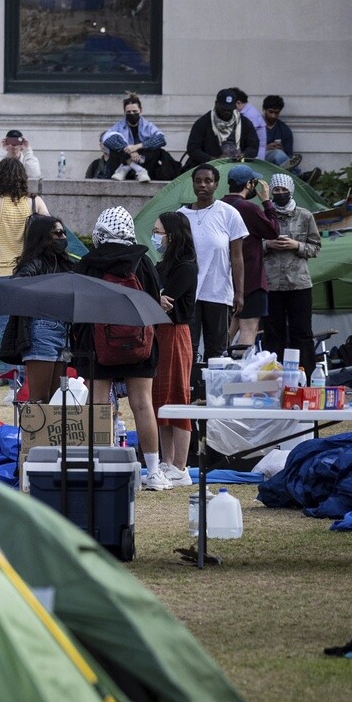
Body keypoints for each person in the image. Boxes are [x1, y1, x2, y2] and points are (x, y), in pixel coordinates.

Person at [75, 208, 163, 487]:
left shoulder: (89, 262)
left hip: (98, 343)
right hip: (139, 342)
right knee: (142, 404)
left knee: (98, 403)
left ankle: (98, 462)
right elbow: (154, 303)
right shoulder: (143, 261)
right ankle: (154, 471)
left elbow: (79, 308)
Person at [179, 163, 247, 381]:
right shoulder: (181, 216)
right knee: (188, 348)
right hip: (189, 294)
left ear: (216, 184)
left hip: (218, 292)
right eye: (198, 181)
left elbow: (236, 256)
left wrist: (239, 292)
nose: (202, 185)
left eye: (208, 181)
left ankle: (213, 398)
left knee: (216, 351)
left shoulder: (229, 214)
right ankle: (188, 396)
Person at [150, 210, 198, 489]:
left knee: (178, 400)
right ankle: (167, 463)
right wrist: (156, 297)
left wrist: (157, 297)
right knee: (161, 402)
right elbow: (156, 296)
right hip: (161, 334)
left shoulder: (185, 266)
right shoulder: (163, 264)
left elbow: (167, 299)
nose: (156, 237)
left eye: (159, 232)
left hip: (175, 334)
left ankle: (180, 466)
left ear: (173, 235)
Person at [7, 215, 74, 406]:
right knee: (39, 399)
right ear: (43, 237)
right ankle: (35, 436)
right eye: (57, 233)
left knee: (56, 400)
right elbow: (18, 286)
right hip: (42, 330)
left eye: (63, 233)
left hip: (64, 332)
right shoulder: (34, 264)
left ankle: (51, 436)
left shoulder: (66, 263)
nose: (62, 237)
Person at [261, 172, 321, 376]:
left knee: (302, 333)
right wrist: (268, 245)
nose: (280, 193)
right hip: (271, 284)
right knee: (272, 334)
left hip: (299, 284)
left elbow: (315, 247)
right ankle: (272, 378)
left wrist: (296, 245)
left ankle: (306, 377)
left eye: (283, 189)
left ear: (291, 190)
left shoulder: (305, 216)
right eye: (276, 190)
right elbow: (250, 247)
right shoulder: (264, 215)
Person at [0, 156, 50, 306]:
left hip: (5, 273)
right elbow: (54, 232)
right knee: (31, 325)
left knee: (7, 326)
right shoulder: (36, 202)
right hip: (33, 273)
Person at [222, 165, 280, 350]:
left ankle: (214, 363)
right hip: (251, 278)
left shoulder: (219, 206)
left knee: (228, 329)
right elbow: (273, 231)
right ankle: (240, 372)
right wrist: (267, 202)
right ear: (249, 184)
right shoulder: (248, 208)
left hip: (226, 277)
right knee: (249, 329)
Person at [99, 93, 172, 181]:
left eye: (134, 111)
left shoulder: (148, 126)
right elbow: (107, 139)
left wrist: (137, 147)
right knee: (115, 147)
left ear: (140, 110)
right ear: (124, 112)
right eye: (128, 112)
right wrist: (130, 151)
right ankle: (139, 170)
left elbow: (161, 139)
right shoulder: (119, 126)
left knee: (155, 149)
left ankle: (127, 168)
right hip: (124, 158)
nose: (132, 114)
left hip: (142, 161)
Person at [187, 89, 258, 166]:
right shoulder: (203, 123)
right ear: (216, 104)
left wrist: (243, 155)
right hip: (210, 167)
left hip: (239, 165)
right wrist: (212, 160)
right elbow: (193, 149)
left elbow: (253, 146)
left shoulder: (244, 122)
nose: (227, 112)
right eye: (223, 109)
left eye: (230, 109)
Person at [261, 95, 297, 169]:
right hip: (259, 159)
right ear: (264, 110)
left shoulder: (284, 129)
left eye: (276, 113)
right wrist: (266, 148)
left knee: (279, 154)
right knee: (277, 154)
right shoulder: (256, 126)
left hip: (278, 164)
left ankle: (297, 174)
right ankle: (299, 175)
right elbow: (248, 149)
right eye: (270, 112)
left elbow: (289, 155)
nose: (273, 116)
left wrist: (282, 149)